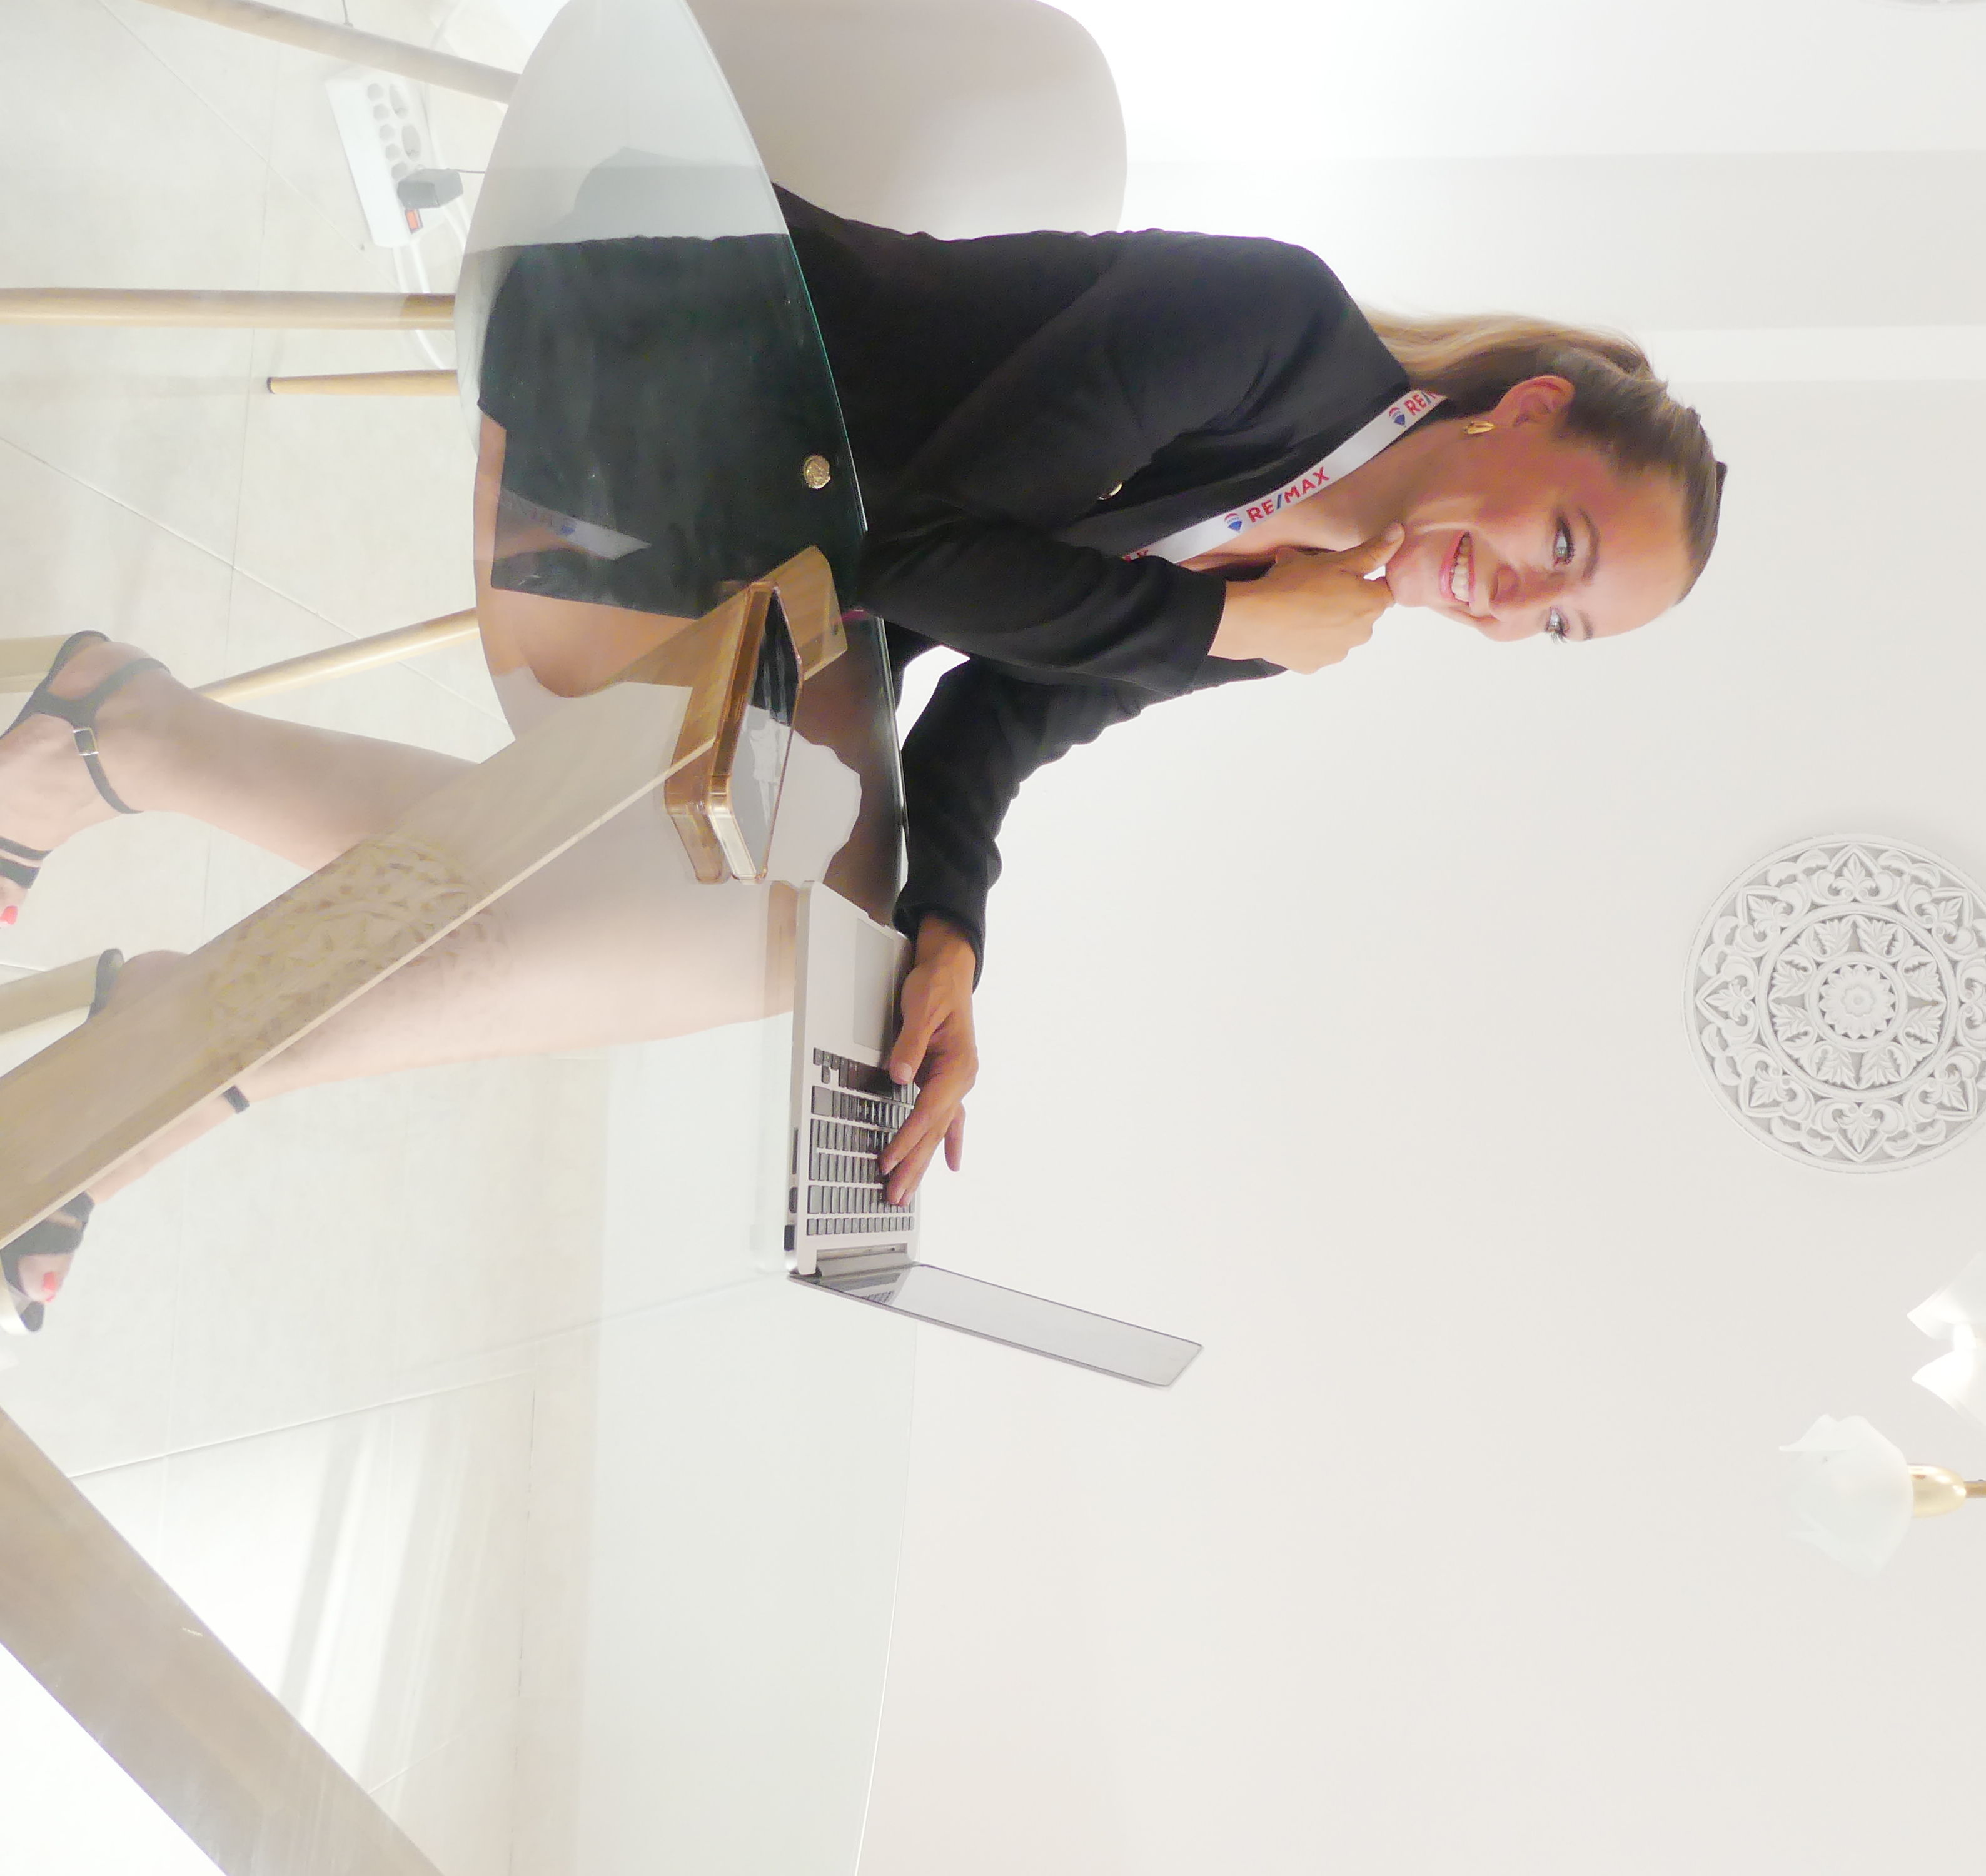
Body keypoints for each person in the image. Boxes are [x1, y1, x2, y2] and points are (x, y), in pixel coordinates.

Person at [0, 200, 1723, 1333]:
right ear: (1528, 413)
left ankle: (117, 805)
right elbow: (915, 547)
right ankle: (141, 1000)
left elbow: (1008, 714)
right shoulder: (1277, 335)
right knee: (720, 923)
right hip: (647, 411)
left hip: (748, 570)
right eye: (1564, 543)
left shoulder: (1308, 604)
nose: (1516, 604)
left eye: (1561, 627)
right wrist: (1217, 637)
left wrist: (956, 931)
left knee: (764, 914)